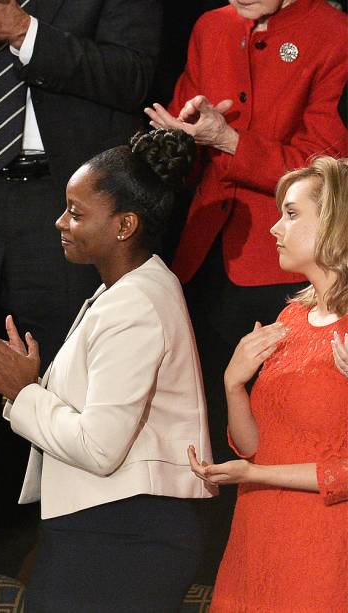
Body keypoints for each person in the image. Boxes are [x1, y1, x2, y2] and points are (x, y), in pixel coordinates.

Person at [0, 0, 163, 572]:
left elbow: (133, 74)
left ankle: (47, 549)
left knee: (61, 376)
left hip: (67, 203)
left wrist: (24, 32)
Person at [0, 129, 215, 612]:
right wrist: (26, 389)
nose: (60, 222)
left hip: (124, 537)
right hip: (109, 528)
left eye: (76, 212)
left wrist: (24, 391)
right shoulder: (129, 290)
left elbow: (99, 447)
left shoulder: (136, 302)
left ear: (124, 225)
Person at [144, 0, 347, 484]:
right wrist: (175, 143)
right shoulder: (210, 26)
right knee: (201, 416)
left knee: (274, 422)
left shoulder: (332, 30)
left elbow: (332, 172)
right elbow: (189, 147)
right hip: (202, 255)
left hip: (284, 267)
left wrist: (231, 142)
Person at [188, 157, 348, 612]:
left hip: (321, 551)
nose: (275, 228)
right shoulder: (290, 318)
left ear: (337, 222)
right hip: (255, 539)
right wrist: (233, 384)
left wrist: (253, 474)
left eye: (292, 214)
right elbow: (255, 446)